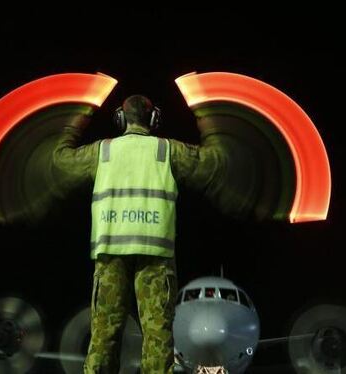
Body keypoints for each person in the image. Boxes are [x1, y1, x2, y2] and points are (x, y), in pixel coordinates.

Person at [53, 95, 229, 374]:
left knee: (103, 336)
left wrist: (78, 120)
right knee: (157, 338)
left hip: (111, 254)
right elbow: (214, 163)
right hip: (155, 257)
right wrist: (206, 118)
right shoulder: (168, 150)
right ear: (154, 119)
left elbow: (60, 162)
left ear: (120, 119)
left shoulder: (102, 152)